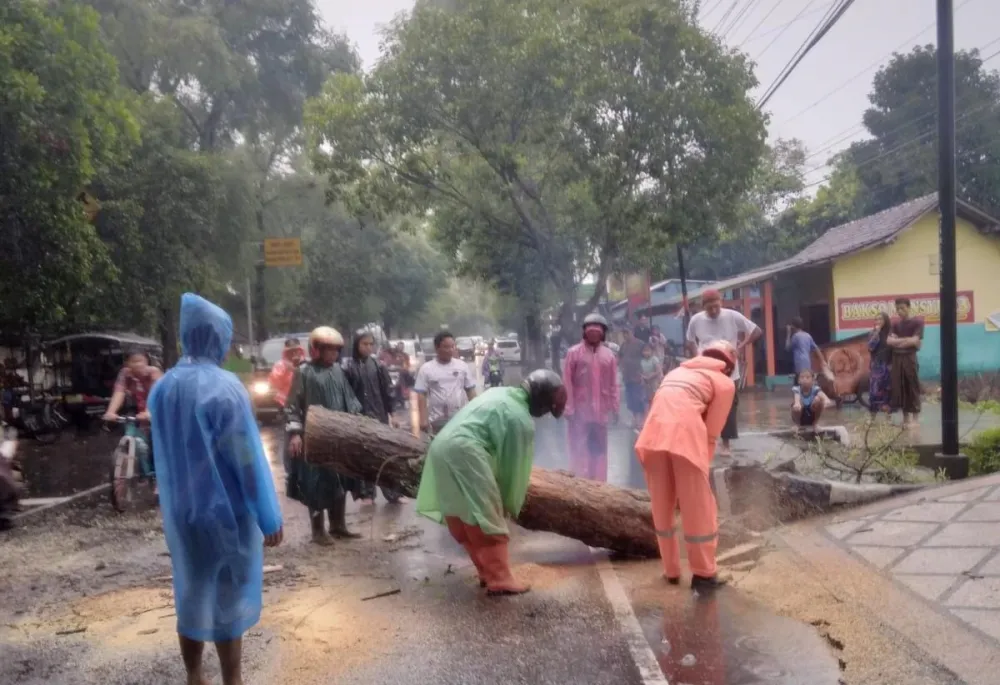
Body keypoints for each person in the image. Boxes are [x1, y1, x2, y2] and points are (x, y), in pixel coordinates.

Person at [147, 293, 283, 685]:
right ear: (217, 337)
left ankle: (194, 676)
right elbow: (245, 458)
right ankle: (231, 680)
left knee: (190, 592)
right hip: (226, 513)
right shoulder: (225, 389)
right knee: (227, 601)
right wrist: (268, 514)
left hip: (182, 513)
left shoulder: (164, 388)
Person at [415, 368, 567, 596]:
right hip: (466, 450)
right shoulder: (520, 419)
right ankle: (500, 578)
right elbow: (513, 470)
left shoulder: (500, 393)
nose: (545, 414)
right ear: (541, 400)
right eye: (547, 409)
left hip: (441, 447)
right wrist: (508, 505)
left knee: (462, 514)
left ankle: (486, 571)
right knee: (487, 515)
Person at [635, 340, 737, 591]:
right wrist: (702, 465)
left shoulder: (676, 372)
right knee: (698, 507)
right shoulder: (723, 383)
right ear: (727, 365)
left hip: (652, 436)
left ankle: (671, 570)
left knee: (662, 504)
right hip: (685, 439)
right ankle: (704, 575)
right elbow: (712, 431)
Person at [286, 326, 364, 544]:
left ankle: (338, 525)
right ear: (317, 350)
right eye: (329, 350)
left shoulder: (338, 371)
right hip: (314, 436)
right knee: (316, 482)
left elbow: (350, 400)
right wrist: (295, 434)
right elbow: (292, 406)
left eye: (336, 351)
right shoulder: (304, 372)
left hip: (338, 435)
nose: (334, 355)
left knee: (339, 479)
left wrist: (357, 422)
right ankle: (318, 530)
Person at [685, 289, 761, 457]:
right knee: (704, 404)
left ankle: (726, 444)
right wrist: (696, 356)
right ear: (703, 306)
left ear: (721, 303)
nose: (713, 311)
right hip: (705, 371)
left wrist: (740, 347)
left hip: (729, 371)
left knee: (728, 406)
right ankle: (705, 440)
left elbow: (756, 331)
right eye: (709, 308)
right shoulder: (696, 320)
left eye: (716, 307)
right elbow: (690, 341)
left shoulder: (732, 316)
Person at [345, 330, 402, 504]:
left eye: (371, 344)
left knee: (385, 455)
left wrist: (393, 414)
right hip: (359, 418)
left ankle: (393, 494)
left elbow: (388, 392)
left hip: (379, 415)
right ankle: (367, 494)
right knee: (364, 457)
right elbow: (346, 394)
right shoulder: (349, 367)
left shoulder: (378, 366)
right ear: (356, 345)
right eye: (365, 344)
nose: (368, 347)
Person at [562, 313, 620, 481]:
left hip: (600, 413)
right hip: (579, 412)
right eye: (591, 329)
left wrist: (615, 407)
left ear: (603, 333)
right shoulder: (573, 353)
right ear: (584, 332)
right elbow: (567, 382)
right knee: (579, 449)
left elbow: (612, 384)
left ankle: (599, 485)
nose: (594, 332)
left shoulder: (609, 356)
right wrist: (569, 408)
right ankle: (580, 484)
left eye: (598, 330)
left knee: (599, 450)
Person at [414, 331, 477, 434]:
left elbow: (471, 391)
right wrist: (423, 420)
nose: (450, 350)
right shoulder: (426, 369)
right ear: (437, 348)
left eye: (453, 346)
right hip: (437, 420)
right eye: (446, 347)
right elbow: (421, 395)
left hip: (460, 419)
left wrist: (477, 414)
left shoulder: (462, 366)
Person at [888, 298, 924, 428]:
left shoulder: (917, 322)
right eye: (897, 309)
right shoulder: (895, 325)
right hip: (897, 359)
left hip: (910, 358)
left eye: (902, 308)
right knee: (900, 387)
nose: (899, 311)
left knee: (912, 386)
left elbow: (915, 341)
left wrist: (899, 341)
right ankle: (906, 418)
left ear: (909, 307)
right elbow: (889, 341)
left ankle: (915, 419)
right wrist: (907, 341)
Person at [103, 348, 163, 422]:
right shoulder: (125, 373)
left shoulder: (154, 372)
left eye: (140, 361)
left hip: (159, 407)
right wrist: (111, 412)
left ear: (147, 362)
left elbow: (155, 393)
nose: (138, 365)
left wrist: (148, 411)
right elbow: (119, 392)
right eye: (134, 362)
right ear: (127, 363)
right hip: (139, 410)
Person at [785, 317, 830, 386]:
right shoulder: (808, 335)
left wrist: (788, 333)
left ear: (793, 326)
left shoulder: (795, 336)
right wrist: (823, 361)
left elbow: (787, 348)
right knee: (806, 383)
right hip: (807, 363)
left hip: (799, 364)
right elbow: (816, 348)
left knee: (798, 386)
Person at [619, 328, 647, 430]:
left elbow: (647, 356)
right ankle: (635, 419)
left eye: (627, 333)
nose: (625, 335)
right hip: (627, 376)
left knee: (639, 398)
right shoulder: (623, 345)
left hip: (637, 375)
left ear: (632, 333)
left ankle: (642, 420)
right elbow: (620, 357)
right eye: (624, 334)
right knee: (630, 399)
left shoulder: (640, 344)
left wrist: (643, 373)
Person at [867, 312, 893, 415]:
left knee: (888, 391)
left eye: (880, 319)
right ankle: (872, 418)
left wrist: (892, 365)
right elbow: (870, 347)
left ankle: (888, 420)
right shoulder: (872, 333)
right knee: (874, 392)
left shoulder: (890, 334)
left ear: (885, 321)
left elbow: (893, 349)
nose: (878, 321)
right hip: (876, 367)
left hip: (888, 365)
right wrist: (876, 333)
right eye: (876, 319)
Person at [268, 338, 304, 408]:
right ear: (286, 352)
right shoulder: (280, 365)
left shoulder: (306, 364)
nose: (294, 353)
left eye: (296, 350)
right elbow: (276, 383)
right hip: (284, 402)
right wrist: (286, 371)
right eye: (290, 351)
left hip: (303, 402)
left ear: (300, 351)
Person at [640, 343, 663, 418]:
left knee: (655, 399)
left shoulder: (654, 359)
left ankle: (658, 414)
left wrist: (650, 376)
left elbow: (658, 370)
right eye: (644, 351)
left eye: (648, 350)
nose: (646, 352)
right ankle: (650, 416)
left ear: (651, 351)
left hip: (654, 382)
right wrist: (643, 376)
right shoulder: (642, 361)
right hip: (646, 383)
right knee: (647, 400)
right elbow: (640, 371)